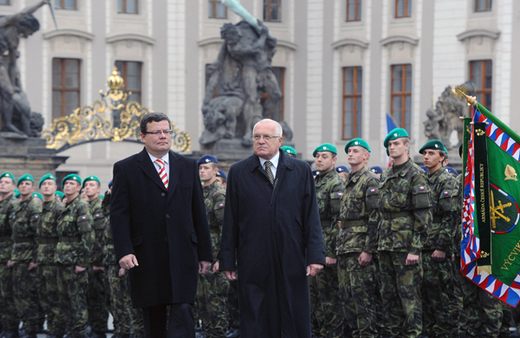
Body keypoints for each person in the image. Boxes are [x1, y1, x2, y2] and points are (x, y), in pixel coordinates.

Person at [219, 118, 326, 337]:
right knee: (256, 316)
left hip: (291, 255)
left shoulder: (300, 170)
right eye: (256, 136)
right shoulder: (239, 172)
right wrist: (227, 259)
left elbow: (310, 216)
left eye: (267, 136)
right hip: (253, 257)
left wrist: (316, 255)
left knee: (292, 315)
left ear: (280, 140)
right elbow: (230, 219)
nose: (260, 141)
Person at [110, 112, 213, 338]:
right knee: (153, 314)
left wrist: (205, 253)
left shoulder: (187, 166)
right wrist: (124, 250)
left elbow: (198, 212)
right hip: (146, 254)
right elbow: (119, 215)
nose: (163, 136)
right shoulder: (126, 168)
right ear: (143, 136)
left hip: (183, 253)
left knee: (183, 308)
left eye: (167, 131)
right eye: (156, 132)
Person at [378, 128, 432, 338]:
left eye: (397, 144)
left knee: (409, 298)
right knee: (388, 297)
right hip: (386, 245)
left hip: (406, 247)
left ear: (406, 146)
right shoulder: (386, 174)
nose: (392, 147)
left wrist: (415, 249)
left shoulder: (416, 175)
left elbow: (423, 216)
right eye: (390, 145)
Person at [337, 138, 380, 338]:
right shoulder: (349, 181)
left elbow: (375, 217)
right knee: (347, 300)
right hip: (345, 247)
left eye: (355, 151)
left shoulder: (370, 180)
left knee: (363, 300)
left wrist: (368, 249)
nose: (351, 154)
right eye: (350, 151)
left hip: (359, 248)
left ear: (366, 156)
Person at [419, 140, 459, 337]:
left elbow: (450, 216)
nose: (426, 156)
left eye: (431, 153)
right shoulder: (424, 180)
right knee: (426, 299)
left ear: (442, 157)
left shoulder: (446, 180)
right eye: (425, 153)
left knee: (441, 300)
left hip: (437, 250)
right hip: (423, 248)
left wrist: (442, 247)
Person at [309, 143, 346, 338]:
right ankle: (318, 332)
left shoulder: (336, 183)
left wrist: (330, 252)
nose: (319, 160)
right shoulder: (314, 182)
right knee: (314, 297)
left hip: (326, 249)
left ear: (334, 160)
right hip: (313, 246)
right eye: (317, 157)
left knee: (329, 298)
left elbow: (337, 221)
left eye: (324, 156)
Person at [102, 181, 144, 338]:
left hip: (125, 261)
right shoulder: (110, 208)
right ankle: (122, 330)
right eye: (111, 189)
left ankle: (134, 331)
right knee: (116, 300)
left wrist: (123, 263)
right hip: (111, 260)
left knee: (129, 301)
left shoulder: (131, 208)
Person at [56, 174, 94, 338]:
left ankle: (78, 333)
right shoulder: (66, 207)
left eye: (72, 184)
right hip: (63, 261)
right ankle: (71, 331)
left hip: (75, 263)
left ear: (79, 188)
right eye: (66, 184)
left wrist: (82, 262)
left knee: (77, 301)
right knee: (65, 301)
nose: (68, 186)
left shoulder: (81, 206)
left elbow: (88, 237)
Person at [197, 155, 229, 338]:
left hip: (215, 256)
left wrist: (222, 259)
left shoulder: (219, 194)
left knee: (215, 303)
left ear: (215, 171)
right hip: (201, 256)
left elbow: (226, 229)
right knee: (202, 303)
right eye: (200, 168)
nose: (202, 171)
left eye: (206, 168)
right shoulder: (199, 193)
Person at [10, 174, 41, 338]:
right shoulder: (18, 207)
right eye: (21, 183)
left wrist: (35, 259)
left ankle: (31, 329)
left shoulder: (33, 208)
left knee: (28, 295)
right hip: (18, 256)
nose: (23, 186)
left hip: (28, 257)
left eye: (27, 184)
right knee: (19, 294)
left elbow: (38, 235)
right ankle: (24, 327)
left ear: (32, 188)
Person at [36, 174, 66, 338]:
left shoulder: (59, 208)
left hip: (55, 259)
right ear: (40, 189)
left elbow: (63, 236)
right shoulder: (42, 207)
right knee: (45, 297)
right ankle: (51, 327)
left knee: (56, 298)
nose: (46, 186)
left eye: (50, 184)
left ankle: (57, 331)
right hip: (42, 259)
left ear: (56, 188)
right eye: (44, 184)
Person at [83, 175, 109, 338]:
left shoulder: (101, 208)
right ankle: (91, 326)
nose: (88, 188)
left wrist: (99, 261)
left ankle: (99, 329)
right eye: (86, 185)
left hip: (98, 261)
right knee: (88, 296)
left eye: (92, 185)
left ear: (98, 189)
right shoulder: (85, 207)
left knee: (99, 298)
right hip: (86, 261)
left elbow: (102, 238)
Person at [0, 172, 20, 338]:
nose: (3, 184)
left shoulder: (13, 204)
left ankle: (11, 328)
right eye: (1, 182)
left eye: (7, 182)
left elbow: (16, 233)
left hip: (7, 255)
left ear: (13, 186)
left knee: (7, 294)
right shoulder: (1, 204)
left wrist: (13, 256)